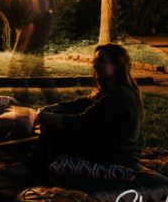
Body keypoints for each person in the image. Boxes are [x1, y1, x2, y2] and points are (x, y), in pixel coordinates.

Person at [27, 43, 146, 177]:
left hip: (117, 155)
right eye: (95, 61)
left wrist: (42, 116)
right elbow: (82, 103)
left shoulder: (119, 95)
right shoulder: (112, 90)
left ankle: (32, 169)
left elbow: (81, 122)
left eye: (101, 61)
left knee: (55, 132)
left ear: (117, 65)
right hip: (110, 145)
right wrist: (53, 108)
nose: (95, 66)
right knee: (56, 120)